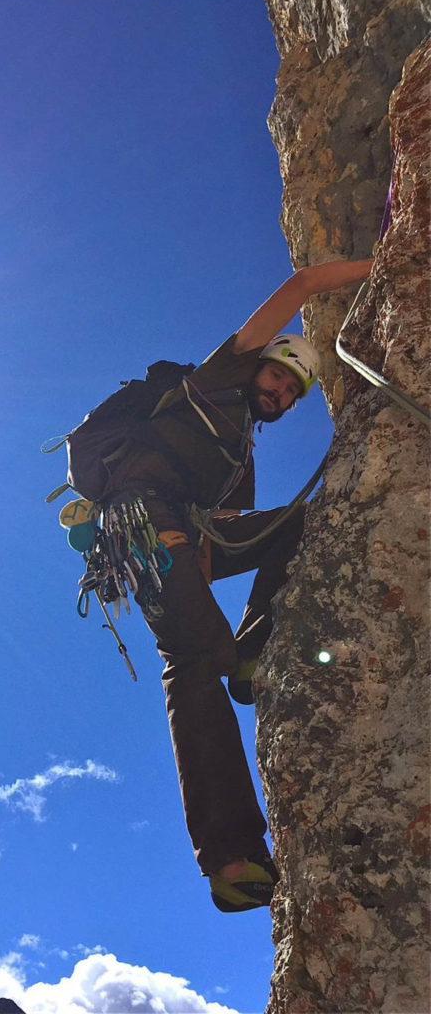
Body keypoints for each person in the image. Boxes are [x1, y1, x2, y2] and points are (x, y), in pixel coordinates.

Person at [102, 258, 373, 913]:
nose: (278, 392)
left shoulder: (235, 459)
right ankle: (229, 858)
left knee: (300, 522)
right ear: (258, 363)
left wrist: (222, 611)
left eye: (291, 393)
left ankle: (252, 655)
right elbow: (303, 286)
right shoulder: (216, 378)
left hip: (184, 539)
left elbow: (220, 539)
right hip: (143, 524)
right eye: (278, 375)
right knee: (194, 660)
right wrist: (386, 260)